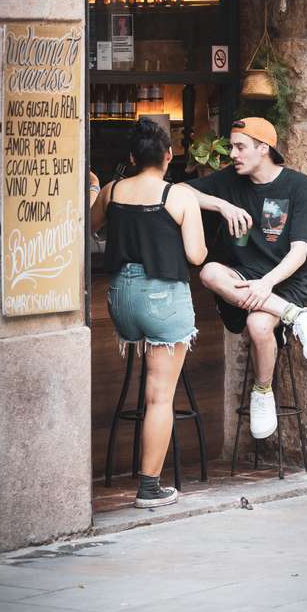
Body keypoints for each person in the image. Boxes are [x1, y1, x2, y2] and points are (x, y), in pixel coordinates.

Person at [186, 117, 307, 442]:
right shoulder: (228, 182)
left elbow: (299, 253)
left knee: (260, 326)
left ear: (263, 148)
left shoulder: (297, 185)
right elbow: (177, 192)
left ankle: (262, 391)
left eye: (240, 147)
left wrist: (266, 283)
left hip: (284, 282)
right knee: (209, 271)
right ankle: (299, 318)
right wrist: (220, 205)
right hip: (243, 282)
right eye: (232, 146)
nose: (233, 154)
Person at [91, 118, 207, 509]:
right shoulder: (178, 196)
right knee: (159, 397)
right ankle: (149, 488)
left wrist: (94, 189)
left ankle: (145, 483)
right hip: (162, 296)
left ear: (131, 157)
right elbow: (196, 255)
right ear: (169, 156)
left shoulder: (113, 190)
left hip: (121, 298)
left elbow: (90, 226)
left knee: (147, 387)